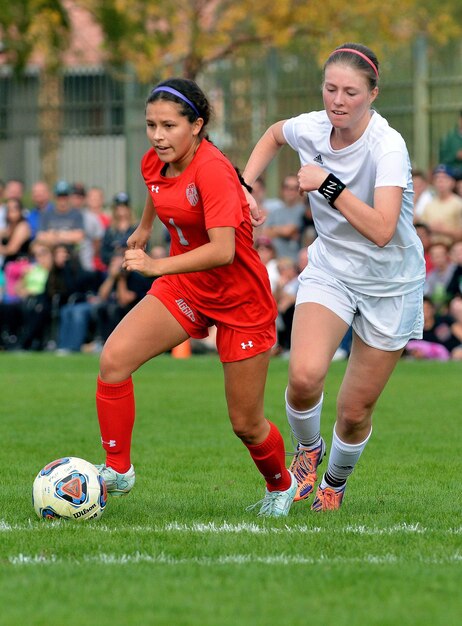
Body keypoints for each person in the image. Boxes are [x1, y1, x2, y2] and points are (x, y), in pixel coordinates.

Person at [94, 77, 297, 518]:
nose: (158, 136)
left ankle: (282, 485)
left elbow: (223, 252)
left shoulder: (213, 171)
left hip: (241, 298)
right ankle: (118, 469)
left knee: (246, 423)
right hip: (187, 287)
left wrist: (156, 264)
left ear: (197, 126)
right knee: (113, 361)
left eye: (169, 126)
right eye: (151, 125)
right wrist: (146, 228)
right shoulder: (155, 160)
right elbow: (156, 187)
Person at [242, 43, 425, 511]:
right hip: (331, 270)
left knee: (353, 410)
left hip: (391, 285)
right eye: (330, 89)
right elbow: (273, 134)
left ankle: (335, 482)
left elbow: (383, 230)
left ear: (373, 95)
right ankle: (307, 451)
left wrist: (325, 182)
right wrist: (245, 188)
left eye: (350, 92)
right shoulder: (313, 126)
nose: (337, 101)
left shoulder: (389, 146)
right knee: (304, 377)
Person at [262, 174, 305, 261]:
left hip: (296, 262)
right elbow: (265, 233)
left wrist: (273, 230)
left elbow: (289, 231)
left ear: (300, 190)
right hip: (275, 262)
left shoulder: (303, 211)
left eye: (295, 188)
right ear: (282, 190)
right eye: (287, 187)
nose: (290, 191)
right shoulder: (275, 212)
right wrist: (283, 231)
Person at [420, 164, 462, 247]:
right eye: (437, 178)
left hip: (452, 250)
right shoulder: (429, 205)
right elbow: (422, 231)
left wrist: (442, 230)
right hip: (431, 250)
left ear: (452, 182)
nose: (440, 181)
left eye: (445, 178)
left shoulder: (459, 204)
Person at [439, 110, 462, 179]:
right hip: (452, 174)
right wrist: (456, 156)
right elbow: (442, 159)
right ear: (459, 120)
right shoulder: (448, 138)